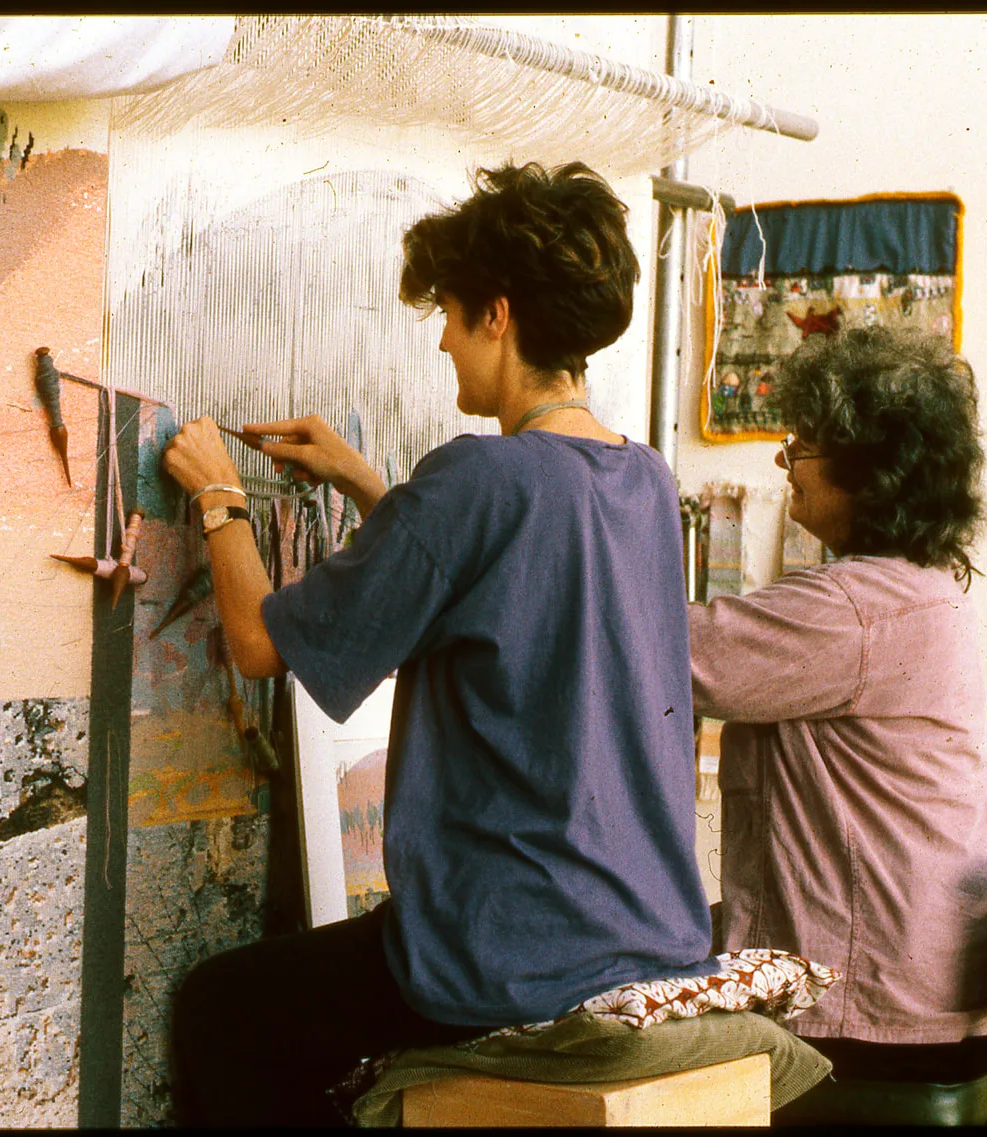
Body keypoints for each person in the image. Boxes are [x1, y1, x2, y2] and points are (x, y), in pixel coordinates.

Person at [161, 161, 716, 1126]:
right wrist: (374, 486)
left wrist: (220, 496)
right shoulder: (644, 483)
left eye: (452, 318)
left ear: (498, 315)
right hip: (648, 929)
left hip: (509, 953)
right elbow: (506, 574)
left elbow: (256, 643)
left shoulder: (475, 479)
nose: (447, 345)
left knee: (220, 1009)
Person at [688, 326, 987, 1090]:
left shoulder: (850, 609)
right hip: (945, 1005)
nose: (786, 459)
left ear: (870, 470)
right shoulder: (928, 591)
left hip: (880, 1018)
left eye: (803, 442)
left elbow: (667, 651)